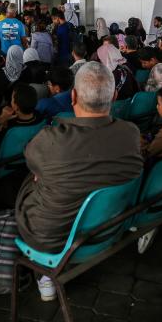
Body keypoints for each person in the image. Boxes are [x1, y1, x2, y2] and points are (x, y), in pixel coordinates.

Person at [15, 62, 143, 300]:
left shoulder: (50, 140)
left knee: (33, 177)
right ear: (114, 96)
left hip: (51, 238)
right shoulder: (131, 133)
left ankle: (45, 275)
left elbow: (30, 158)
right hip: (108, 228)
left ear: (72, 96)